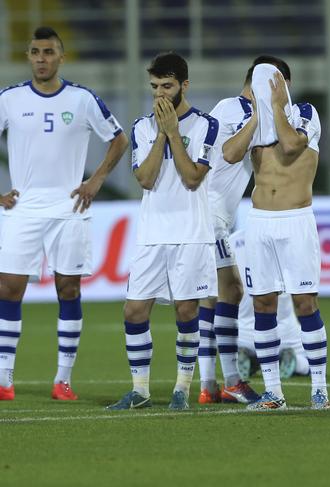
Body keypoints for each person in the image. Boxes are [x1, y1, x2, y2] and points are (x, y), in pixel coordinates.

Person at [0, 27, 128, 401]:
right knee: (8, 289)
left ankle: (63, 380)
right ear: (28, 56)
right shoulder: (10, 99)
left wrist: (96, 179)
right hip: (23, 208)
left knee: (68, 289)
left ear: (61, 56)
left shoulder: (82, 99)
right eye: (36, 52)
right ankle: (5, 379)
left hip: (70, 207)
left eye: (49, 52)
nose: (42, 58)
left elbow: (119, 139)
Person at [107, 52, 217, 410]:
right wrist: (161, 135)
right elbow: (145, 179)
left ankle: (182, 390)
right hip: (152, 233)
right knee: (134, 310)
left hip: (190, 232)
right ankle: (140, 390)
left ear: (184, 86)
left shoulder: (205, 125)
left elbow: (191, 177)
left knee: (186, 311)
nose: (159, 94)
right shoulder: (141, 126)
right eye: (154, 86)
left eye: (166, 86)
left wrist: (174, 132)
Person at [224, 59, 329, 410]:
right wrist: (257, 115)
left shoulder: (304, 113)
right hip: (259, 223)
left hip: (296, 220)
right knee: (262, 304)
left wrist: (278, 104)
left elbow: (289, 146)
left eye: (272, 80)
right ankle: (273, 391)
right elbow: (228, 153)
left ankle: (319, 389)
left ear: (285, 82)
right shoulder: (252, 123)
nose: (265, 87)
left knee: (304, 303)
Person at [195, 57, 287, 406]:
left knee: (214, 294)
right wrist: (266, 115)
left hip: (215, 214)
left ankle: (209, 384)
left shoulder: (242, 111)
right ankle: (228, 379)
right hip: (209, 214)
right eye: (281, 84)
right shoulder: (234, 108)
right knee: (229, 290)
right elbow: (230, 153)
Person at [228, 229, 310, 381]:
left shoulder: (231, 241)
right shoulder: (286, 238)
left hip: (241, 334)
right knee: (312, 362)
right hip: (285, 333)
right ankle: (292, 362)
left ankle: (253, 359)